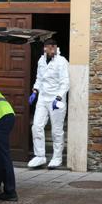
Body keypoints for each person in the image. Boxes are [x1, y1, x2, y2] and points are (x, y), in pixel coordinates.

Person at [28, 39, 70, 169]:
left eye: (54, 47)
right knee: (36, 126)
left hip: (56, 99)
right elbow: (39, 78)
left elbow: (65, 82)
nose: (52, 50)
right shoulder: (41, 60)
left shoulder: (61, 61)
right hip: (42, 98)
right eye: (49, 48)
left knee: (56, 130)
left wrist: (58, 97)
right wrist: (35, 91)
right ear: (45, 48)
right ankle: (40, 156)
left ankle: (57, 158)